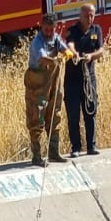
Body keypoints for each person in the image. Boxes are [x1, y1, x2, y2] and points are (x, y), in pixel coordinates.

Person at [25, 13, 69, 167]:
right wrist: (56, 60)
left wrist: (70, 53)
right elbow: (42, 59)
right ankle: (36, 156)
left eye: (52, 29)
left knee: (54, 114)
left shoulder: (55, 37)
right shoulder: (37, 42)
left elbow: (64, 48)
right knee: (37, 117)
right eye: (46, 29)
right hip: (37, 84)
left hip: (53, 83)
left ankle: (53, 152)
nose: (49, 33)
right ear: (41, 26)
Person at [65, 4, 104, 157]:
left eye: (92, 15)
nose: (90, 18)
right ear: (80, 16)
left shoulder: (96, 30)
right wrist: (74, 53)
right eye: (87, 15)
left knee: (91, 111)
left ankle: (91, 146)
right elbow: (70, 44)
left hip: (89, 80)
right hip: (72, 81)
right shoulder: (72, 30)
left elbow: (101, 50)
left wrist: (91, 56)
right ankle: (75, 147)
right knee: (73, 115)